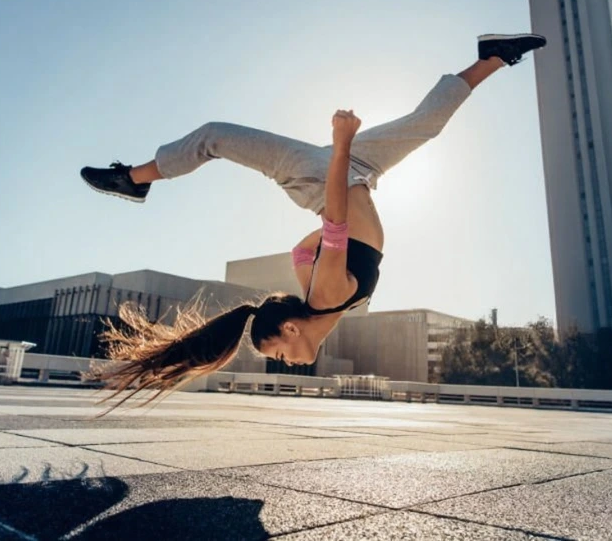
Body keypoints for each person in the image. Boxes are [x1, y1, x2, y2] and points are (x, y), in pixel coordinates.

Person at [81, 33, 546, 408]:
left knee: (214, 137)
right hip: (354, 172)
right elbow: (303, 251)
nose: (289, 361)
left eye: (279, 353)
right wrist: (328, 221)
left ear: (290, 328)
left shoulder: (324, 297)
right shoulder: (328, 301)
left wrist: (340, 147)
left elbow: (335, 224)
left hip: (329, 174)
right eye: (281, 358)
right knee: (426, 124)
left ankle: (136, 179)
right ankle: (492, 58)